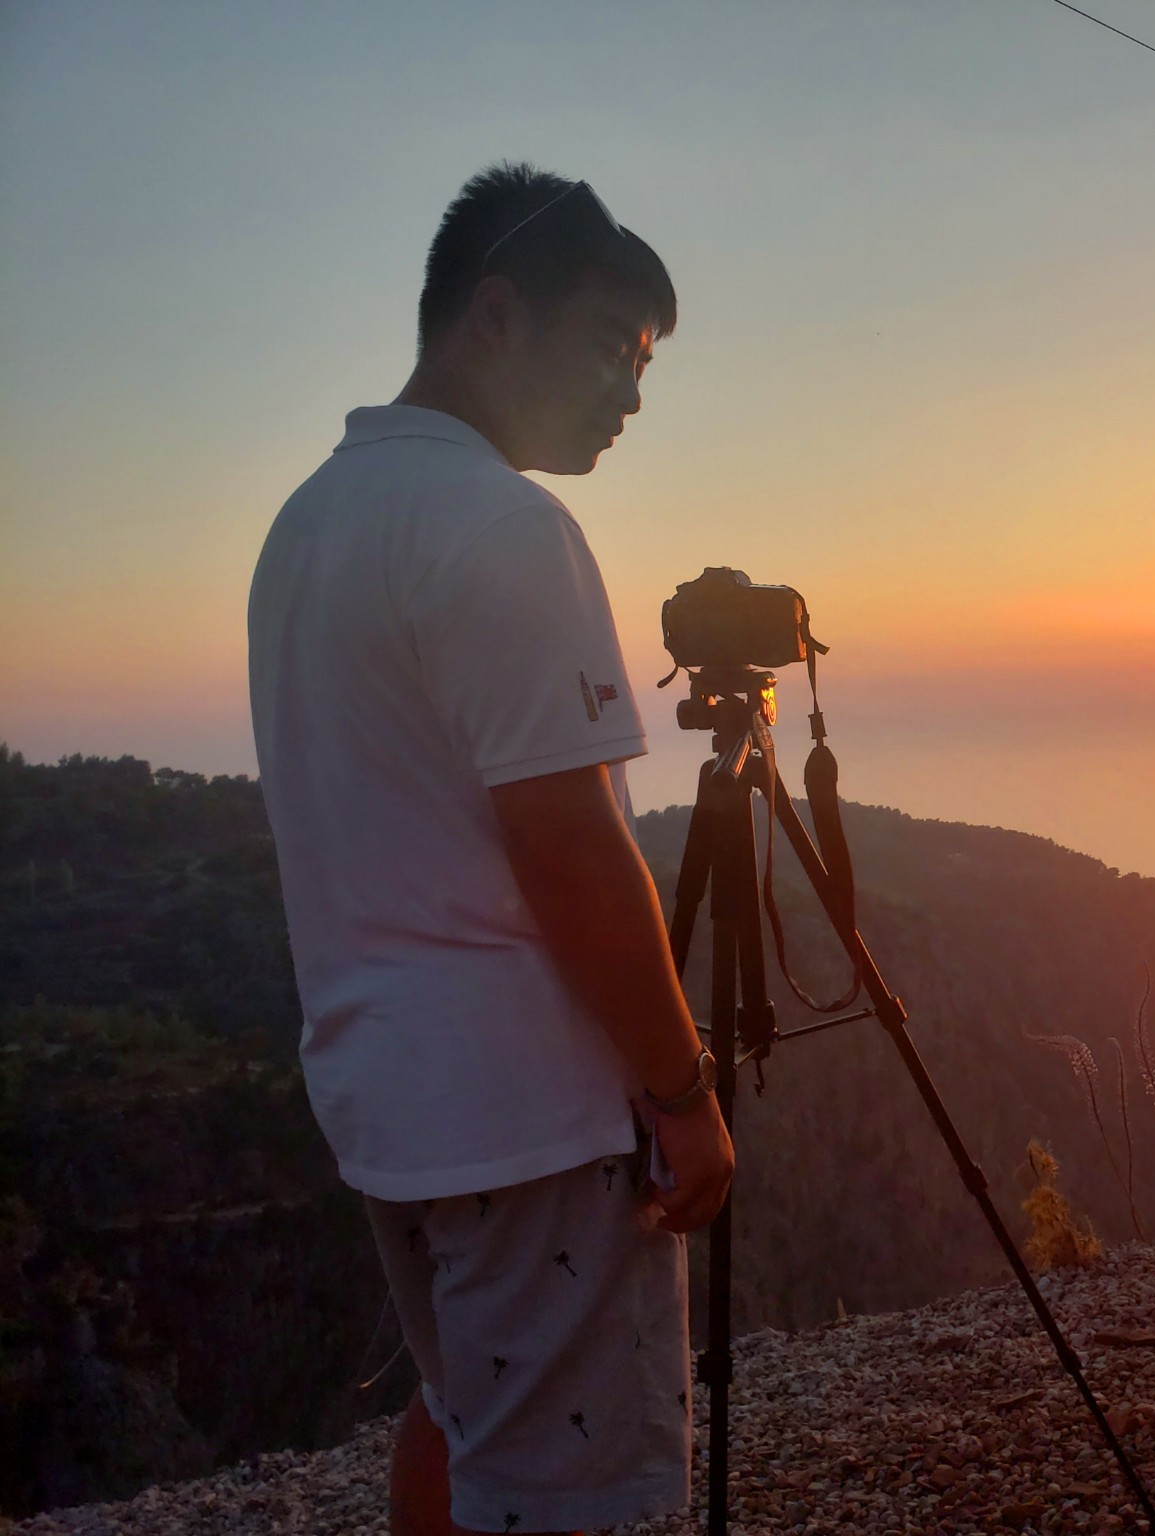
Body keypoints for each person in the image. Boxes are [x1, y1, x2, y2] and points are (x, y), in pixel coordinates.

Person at [247, 162, 733, 1536]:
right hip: (531, 1123)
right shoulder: (506, 527)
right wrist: (684, 1086)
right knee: (580, 1498)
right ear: (499, 315)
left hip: (389, 1107)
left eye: (645, 369)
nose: (630, 396)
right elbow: (573, 852)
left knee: (466, 1420)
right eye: (611, 349)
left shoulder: (307, 524)